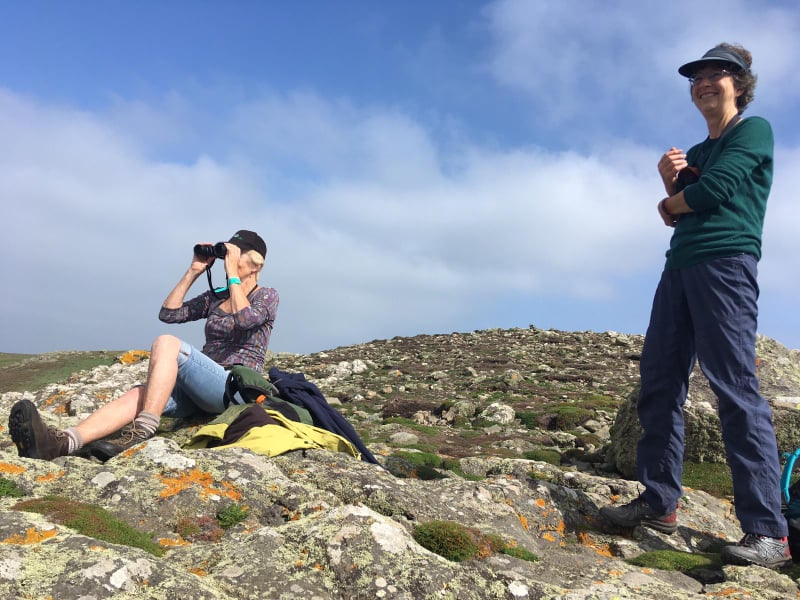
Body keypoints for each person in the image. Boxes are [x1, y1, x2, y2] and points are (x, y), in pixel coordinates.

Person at [600, 43, 791, 569]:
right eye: (697, 78)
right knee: (660, 381)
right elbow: (682, 213)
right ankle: (659, 501)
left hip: (726, 265)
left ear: (740, 84)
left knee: (734, 387)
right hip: (679, 267)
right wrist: (674, 186)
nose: (705, 83)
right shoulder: (698, 151)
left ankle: (768, 532)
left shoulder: (754, 131)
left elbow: (714, 195)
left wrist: (670, 198)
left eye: (718, 75)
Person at [9, 230, 279, 462]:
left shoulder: (267, 296)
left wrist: (232, 274)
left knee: (166, 343)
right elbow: (170, 313)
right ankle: (62, 443)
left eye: (235, 254)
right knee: (141, 393)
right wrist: (194, 270)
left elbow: (246, 320)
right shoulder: (216, 297)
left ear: (254, 264)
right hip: (202, 388)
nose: (227, 259)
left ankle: (142, 431)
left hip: (234, 386)